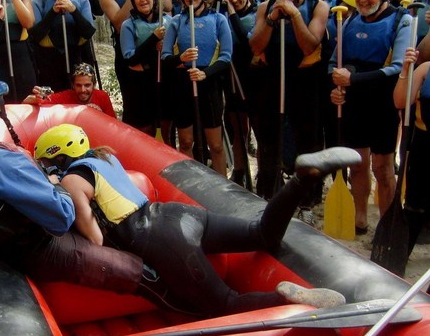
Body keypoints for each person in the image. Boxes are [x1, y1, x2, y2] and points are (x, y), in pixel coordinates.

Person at [34, 123, 353, 317]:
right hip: (175, 214)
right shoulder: (104, 156)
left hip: (159, 237)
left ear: (59, 156)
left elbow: (96, 239)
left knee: (225, 303)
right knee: (261, 233)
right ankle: (300, 181)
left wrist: (56, 189)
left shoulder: (73, 179)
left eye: (47, 161)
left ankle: (289, 298)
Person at [0, 66, 178, 310]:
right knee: (137, 271)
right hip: (38, 247)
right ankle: (182, 306)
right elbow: (63, 216)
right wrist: (58, 183)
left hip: (6, 240)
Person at [330, 0, 412, 235]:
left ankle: (387, 225)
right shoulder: (351, 20)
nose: (363, 0)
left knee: (383, 167)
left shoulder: (402, 20)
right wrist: (337, 84)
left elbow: (396, 68)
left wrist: (352, 79)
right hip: (354, 103)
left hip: (384, 103)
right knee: (358, 163)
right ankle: (360, 218)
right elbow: (335, 62)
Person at [249, 0, 330, 223]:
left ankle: (307, 200)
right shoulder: (265, 7)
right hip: (272, 80)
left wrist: (295, 15)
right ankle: (268, 192)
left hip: (305, 82)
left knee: (307, 141)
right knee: (269, 140)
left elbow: (310, 45)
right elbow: (256, 46)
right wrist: (272, 19)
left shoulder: (319, 6)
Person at [161, 0, 232, 175]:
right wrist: (180, 59)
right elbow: (165, 57)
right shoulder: (176, 21)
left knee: (216, 145)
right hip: (183, 82)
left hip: (209, 84)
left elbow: (226, 57)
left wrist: (205, 74)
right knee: (185, 142)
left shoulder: (218, 19)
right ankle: (190, 187)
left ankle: (223, 189)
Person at [97, 0, 170, 129]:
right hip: (129, 51)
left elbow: (167, 6)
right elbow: (118, 22)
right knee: (135, 108)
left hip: (158, 49)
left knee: (161, 104)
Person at [30, 0, 95, 91]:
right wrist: (53, 12)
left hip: (76, 57)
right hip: (48, 62)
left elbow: (88, 32)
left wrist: (74, 10)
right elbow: (36, 36)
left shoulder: (81, 0)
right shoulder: (38, 1)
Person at [222, 0, 259, 188]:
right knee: (238, 128)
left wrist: (233, 15)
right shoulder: (222, 15)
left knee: (258, 129)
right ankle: (238, 169)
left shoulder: (257, 15)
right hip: (232, 75)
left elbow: (249, 45)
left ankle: (263, 174)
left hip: (255, 78)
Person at [119, 0, 169, 135]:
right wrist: (154, 39)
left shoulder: (168, 21)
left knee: (165, 129)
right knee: (144, 130)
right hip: (140, 85)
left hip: (164, 80)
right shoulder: (128, 25)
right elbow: (131, 60)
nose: (142, 0)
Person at [394, 47, 430, 258]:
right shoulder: (425, 69)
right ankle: (399, 257)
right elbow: (399, 101)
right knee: (414, 207)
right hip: (423, 148)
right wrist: (406, 68)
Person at [22, 62, 116, 118]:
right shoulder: (66, 96)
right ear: (73, 85)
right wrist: (36, 98)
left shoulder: (102, 96)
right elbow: (29, 102)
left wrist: (100, 116)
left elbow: (114, 126)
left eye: (87, 85)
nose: (83, 90)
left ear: (94, 85)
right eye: (78, 85)